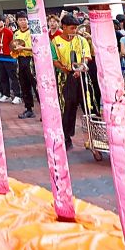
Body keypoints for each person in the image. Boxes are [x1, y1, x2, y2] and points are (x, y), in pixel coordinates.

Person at [51, 15, 91, 150]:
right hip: (65, 77)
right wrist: (64, 69)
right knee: (67, 107)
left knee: (89, 105)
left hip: (82, 76)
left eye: (76, 28)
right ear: (64, 27)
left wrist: (80, 69)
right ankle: (66, 137)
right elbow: (54, 59)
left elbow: (86, 57)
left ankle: (93, 136)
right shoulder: (55, 41)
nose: (74, 31)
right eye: (72, 28)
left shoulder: (81, 40)